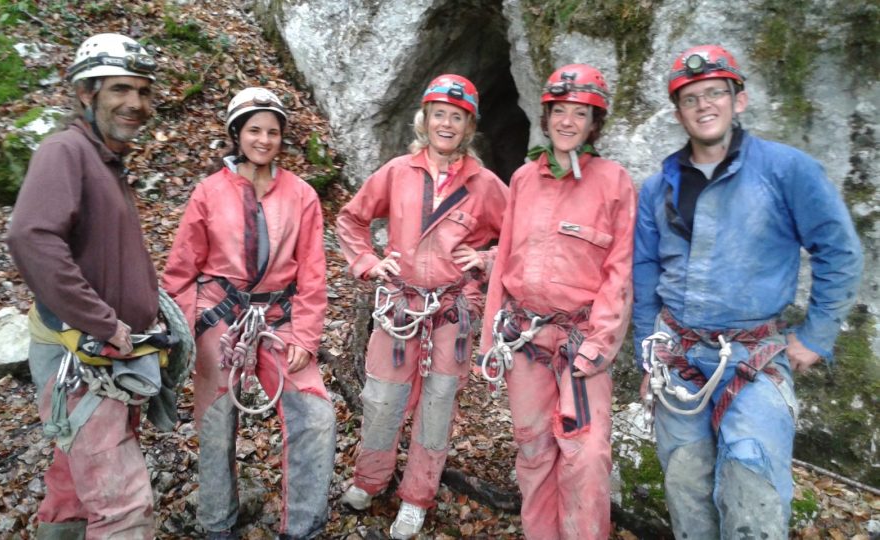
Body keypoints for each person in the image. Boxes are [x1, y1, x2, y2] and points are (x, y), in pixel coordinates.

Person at [632, 44, 864, 538]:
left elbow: (839, 250)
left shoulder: (786, 170)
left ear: (739, 99)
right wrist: (646, 356)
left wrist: (816, 335)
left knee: (751, 484)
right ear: (678, 113)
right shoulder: (658, 187)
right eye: (690, 98)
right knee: (684, 482)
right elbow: (646, 272)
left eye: (715, 92)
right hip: (676, 352)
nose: (704, 105)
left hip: (751, 354)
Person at [336, 74, 508, 539]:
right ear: (425, 120)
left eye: (457, 117)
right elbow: (351, 219)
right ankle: (370, 480)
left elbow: (519, 236)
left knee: (437, 406)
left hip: (451, 312)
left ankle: (416, 497)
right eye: (439, 115)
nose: (446, 124)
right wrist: (369, 262)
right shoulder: (397, 172)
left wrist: (487, 258)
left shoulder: (485, 184)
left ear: (469, 126)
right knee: (382, 398)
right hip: (400, 307)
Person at [161, 87, 335, 540]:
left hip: (280, 319)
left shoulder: (301, 195)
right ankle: (217, 524)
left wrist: (306, 336)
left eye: (272, 132)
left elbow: (313, 272)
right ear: (236, 133)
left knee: (316, 415)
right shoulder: (209, 193)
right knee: (216, 423)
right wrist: (185, 334)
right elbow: (181, 270)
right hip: (219, 317)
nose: (264, 140)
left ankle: (303, 528)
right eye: (254, 130)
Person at [7, 33, 162, 539]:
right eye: (120, 89)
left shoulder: (103, 162)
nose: (135, 103)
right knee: (124, 507)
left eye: (143, 91)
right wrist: (103, 322)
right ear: (85, 93)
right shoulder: (66, 152)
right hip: (81, 359)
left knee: (74, 484)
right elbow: (31, 237)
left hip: (102, 356)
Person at [479, 64, 636, 539]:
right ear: (546, 118)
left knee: (586, 453)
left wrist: (600, 344)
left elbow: (620, 269)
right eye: (560, 111)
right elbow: (505, 258)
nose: (568, 121)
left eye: (580, 113)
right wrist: (489, 338)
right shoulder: (524, 179)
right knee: (532, 447)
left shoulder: (614, 182)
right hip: (524, 338)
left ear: (594, 123)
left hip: (580, 339)